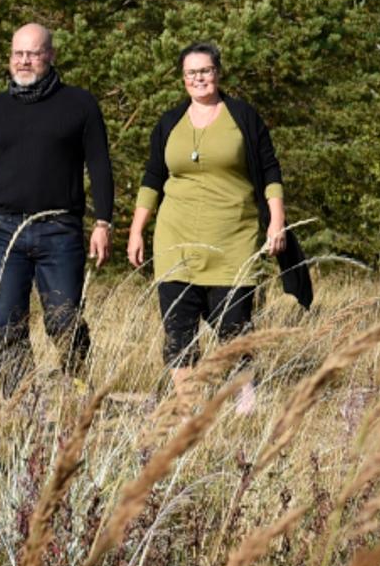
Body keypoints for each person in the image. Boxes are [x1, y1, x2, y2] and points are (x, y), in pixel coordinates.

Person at [127, 43, 301, 395]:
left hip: (232, 238)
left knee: (233, 327)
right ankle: (187, 409)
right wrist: (136, 231)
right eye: (191, 73)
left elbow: (270, 170)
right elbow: (152, 178)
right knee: (178, 328)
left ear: (218, 73)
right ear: (183, 78)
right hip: (175, 240)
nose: (199, 78)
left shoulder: (242, 117)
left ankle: (244, 404)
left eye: (205, 71)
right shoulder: (170, 122)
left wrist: (276, 219)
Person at [0, 22, 115, 393]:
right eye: (17, 53)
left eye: (33, 53)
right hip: (4, 232)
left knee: (63, 320)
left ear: (51, 55)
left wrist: (103, 222)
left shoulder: (80, 104)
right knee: (5, 323)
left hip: (60, 229)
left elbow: (100, 165)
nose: (24, 61)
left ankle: (77, 385)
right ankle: (19, 401)